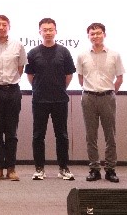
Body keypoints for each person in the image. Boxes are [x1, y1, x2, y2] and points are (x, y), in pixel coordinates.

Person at [25, 18, 76, 181]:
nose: (48, 32)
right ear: (40, 32)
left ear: (55, 31)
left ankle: (63, 168)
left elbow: (69, 74)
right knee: (38, 135)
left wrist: (59, 87)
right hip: (39, 100)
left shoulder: (64, 52)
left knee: (62, 135)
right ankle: (39, 169)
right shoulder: (33, 53)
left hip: (59, 99)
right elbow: (30, 75)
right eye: (44, 30)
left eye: (50, 29)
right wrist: (39, 88)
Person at [77, 22, 124, 183]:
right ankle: (94, 169)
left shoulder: (114, 55)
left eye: (98, 33)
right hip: (88, 98)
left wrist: (109, 92)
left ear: (104, 34)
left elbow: (120, 78)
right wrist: (91, 90)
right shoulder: (82, 56)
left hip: (107, 97)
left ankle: (110, 169)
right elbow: (81, 79)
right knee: (91, 136)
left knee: (110, 135)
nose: (95, 36)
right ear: (88, 36)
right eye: (92, 33)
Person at [0, 15, 26, 181]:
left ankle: (11, 168)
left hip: (12, 91)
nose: (1, 28)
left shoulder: (18, 45)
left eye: (4, 25)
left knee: (11, 131)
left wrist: (11, 81)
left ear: (9, 26)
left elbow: (20, 68)